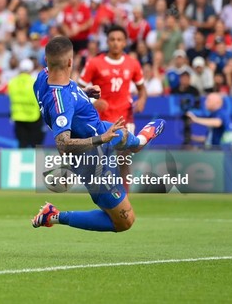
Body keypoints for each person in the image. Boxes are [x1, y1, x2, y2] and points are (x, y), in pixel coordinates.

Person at [31, 36, 165, 233]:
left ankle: (142, 138)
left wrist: (83, 93)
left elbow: (63, 88)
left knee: (135, 143)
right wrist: (102, 139)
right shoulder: (62, 102)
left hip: (101, 129)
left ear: (46, 60)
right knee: (124, 222)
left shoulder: (43, 77)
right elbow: (63, 143)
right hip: (94, 159)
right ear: (70, 61)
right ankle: (53, 216)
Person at [79, 25, 147, 193]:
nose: (116, 43)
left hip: (125, 117)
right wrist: (94, 102)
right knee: (103, 161)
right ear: (107, 42)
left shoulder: (133, 64)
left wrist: (142, 99)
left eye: (119, 40)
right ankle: (107, 198)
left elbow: (142, 88)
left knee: (124, 158)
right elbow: (77, 91)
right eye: (112, 39)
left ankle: (125, 199)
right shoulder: (94, 63)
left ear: (124, 42)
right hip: (102, 118)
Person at [7, 59, 44, 148]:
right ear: (31, 69)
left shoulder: (12, 82)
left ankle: (22, 161)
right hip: (33, 116)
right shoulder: (34, 82)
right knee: (36, 145)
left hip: (18, 116)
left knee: (21, 144)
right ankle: (36, 162)